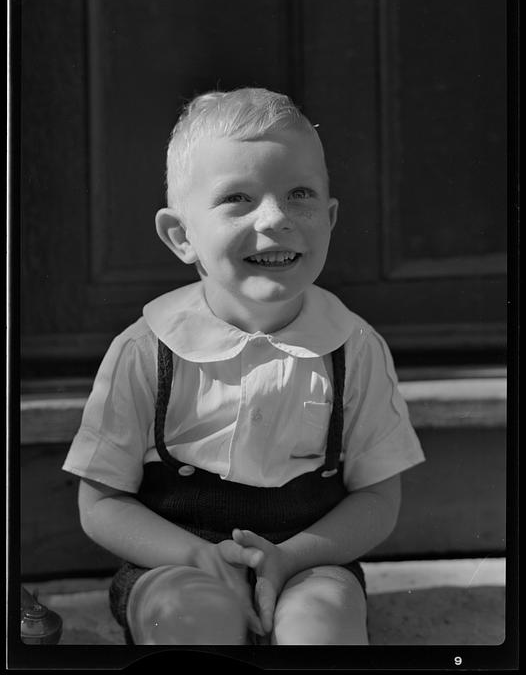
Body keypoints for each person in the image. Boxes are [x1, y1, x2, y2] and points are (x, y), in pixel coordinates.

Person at [63, 87, 425, 646]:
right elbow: (101, 502)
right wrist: (200, 559)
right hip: (176, 562)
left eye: (299, 194)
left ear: (330, 218)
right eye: (238, 198)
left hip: (308, 560)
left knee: (321, 626)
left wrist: (287, 560)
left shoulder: (355, 347)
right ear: (181, 236)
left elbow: (378, 498)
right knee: (195, 622)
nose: (277, 218)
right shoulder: (146, 349)